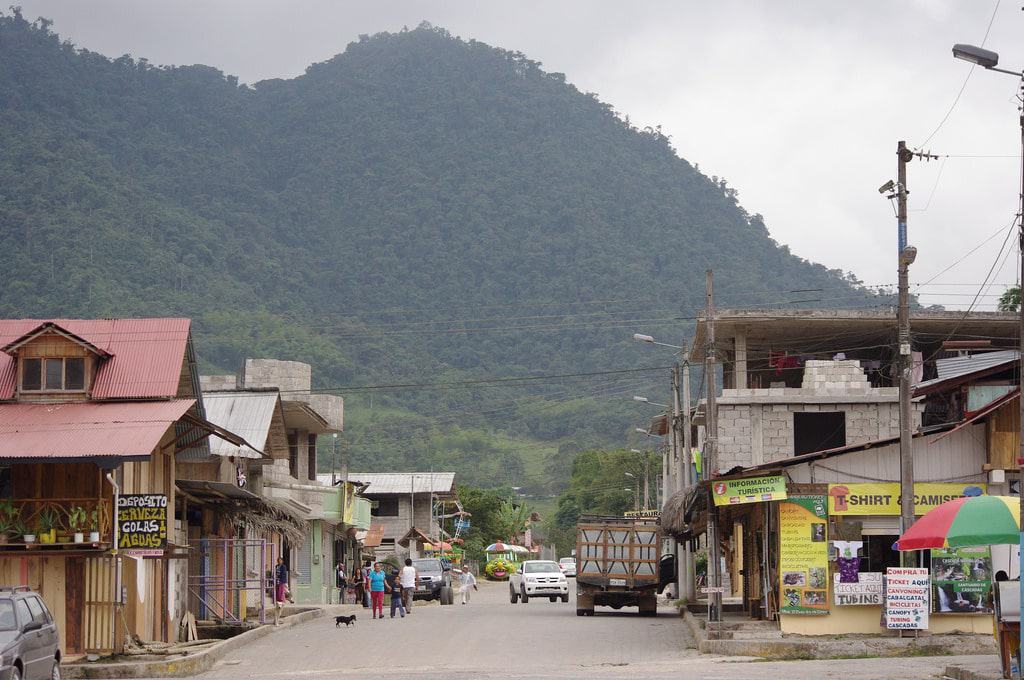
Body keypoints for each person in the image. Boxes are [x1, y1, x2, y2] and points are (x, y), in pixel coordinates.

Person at [274, 557, 289, 625]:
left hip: (281, 582)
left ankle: (277, 620)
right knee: (278, 607)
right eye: (278, 560)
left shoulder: (283, 567)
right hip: (278, 582)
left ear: (282, 561)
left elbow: (283, 575)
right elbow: (275, 573)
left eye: (280, 560)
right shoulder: (276, 566)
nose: (279, 561)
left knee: (280, 606)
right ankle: (276, 620)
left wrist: (283, 582)